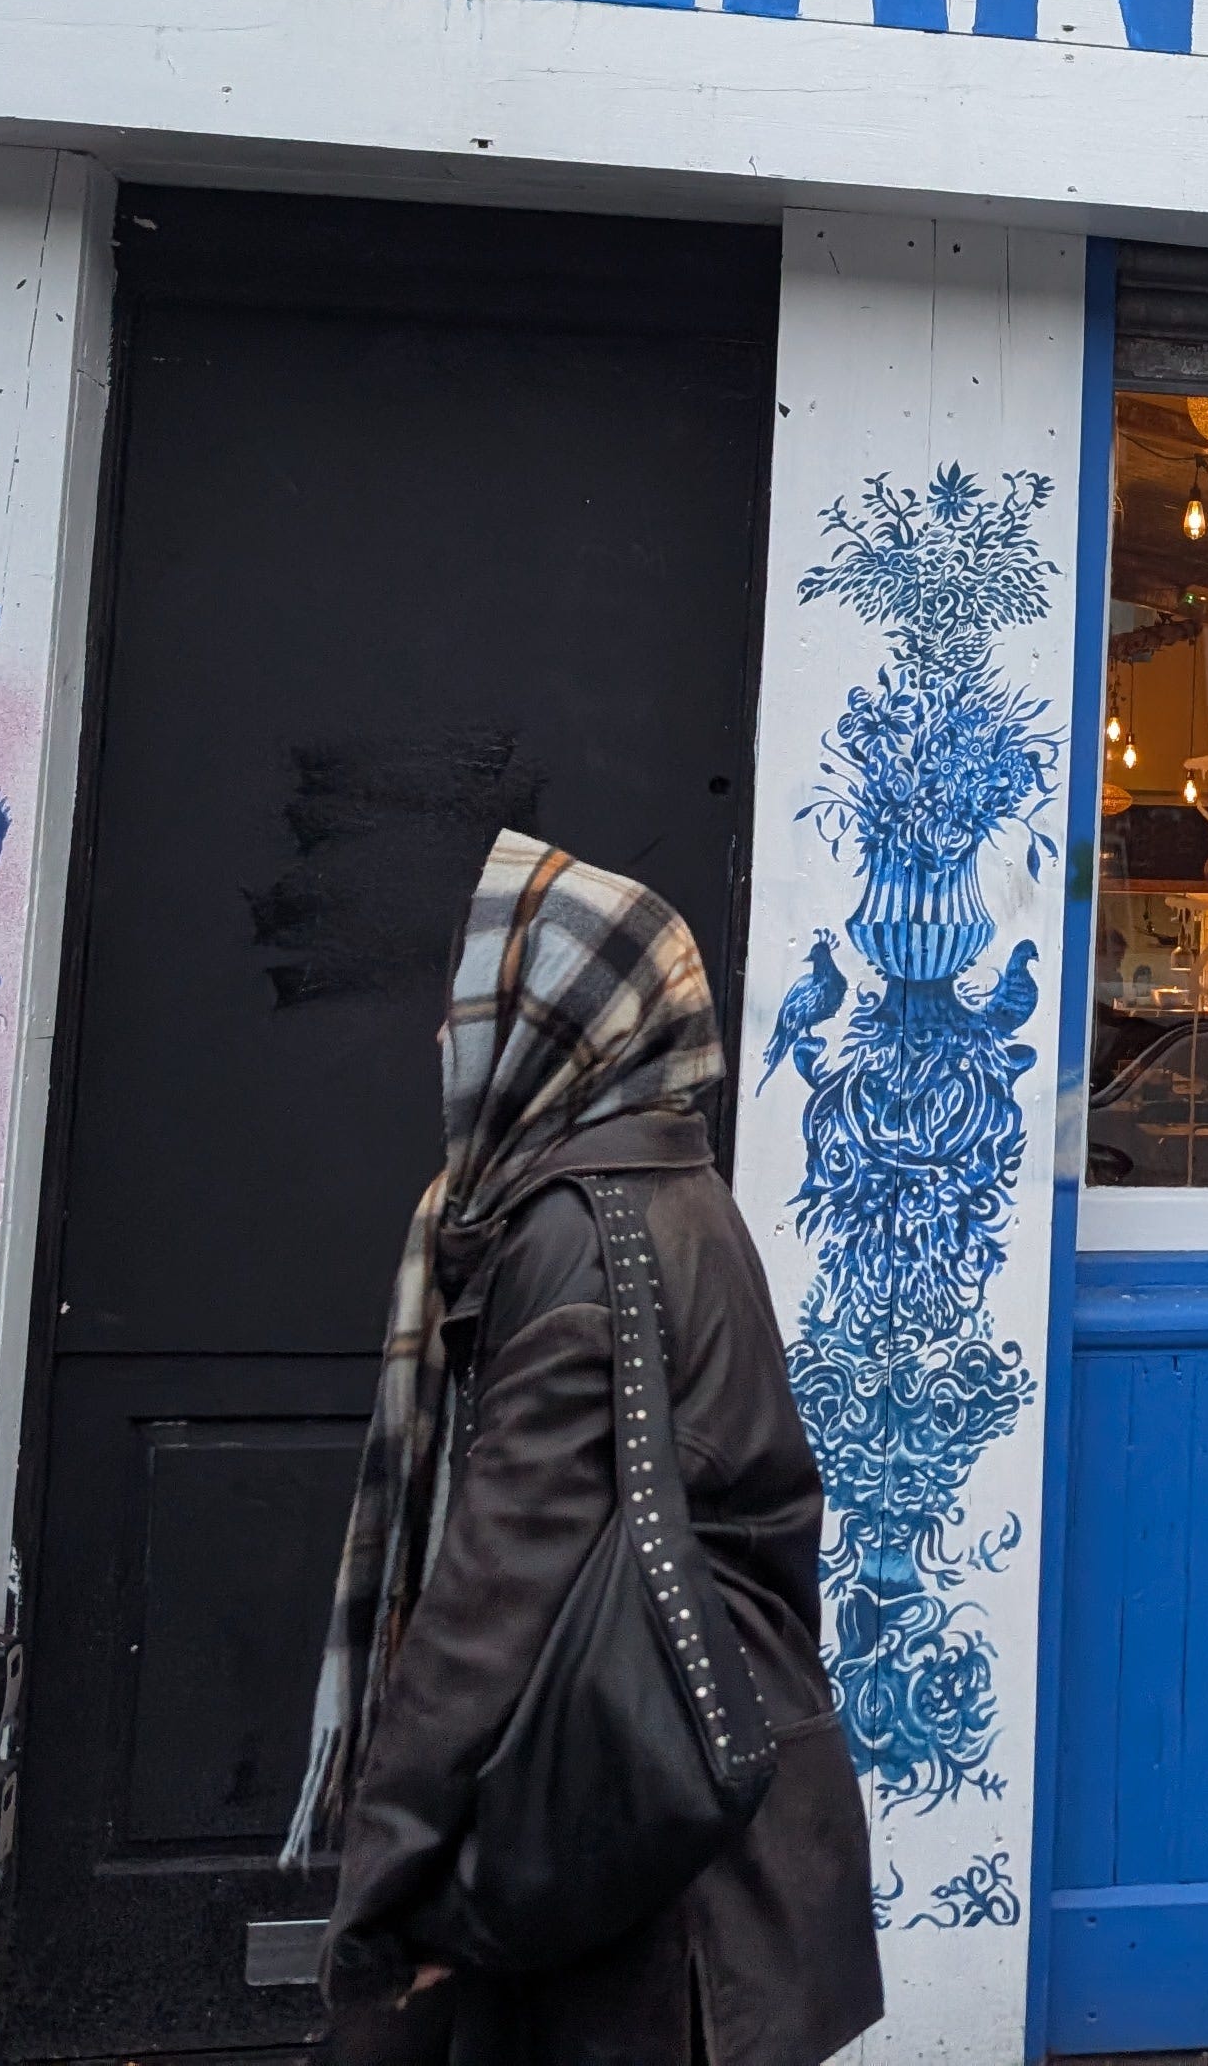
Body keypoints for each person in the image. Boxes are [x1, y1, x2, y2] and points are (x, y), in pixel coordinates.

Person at [288, 830, 885, 2066]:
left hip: (645, 1891)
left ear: (564, 1031)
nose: (443, 1037)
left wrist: (387, 1892)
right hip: (703, 1849)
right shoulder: (683, 1196)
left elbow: (500, 1589)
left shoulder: (574, 1236)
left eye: (478, 1005)